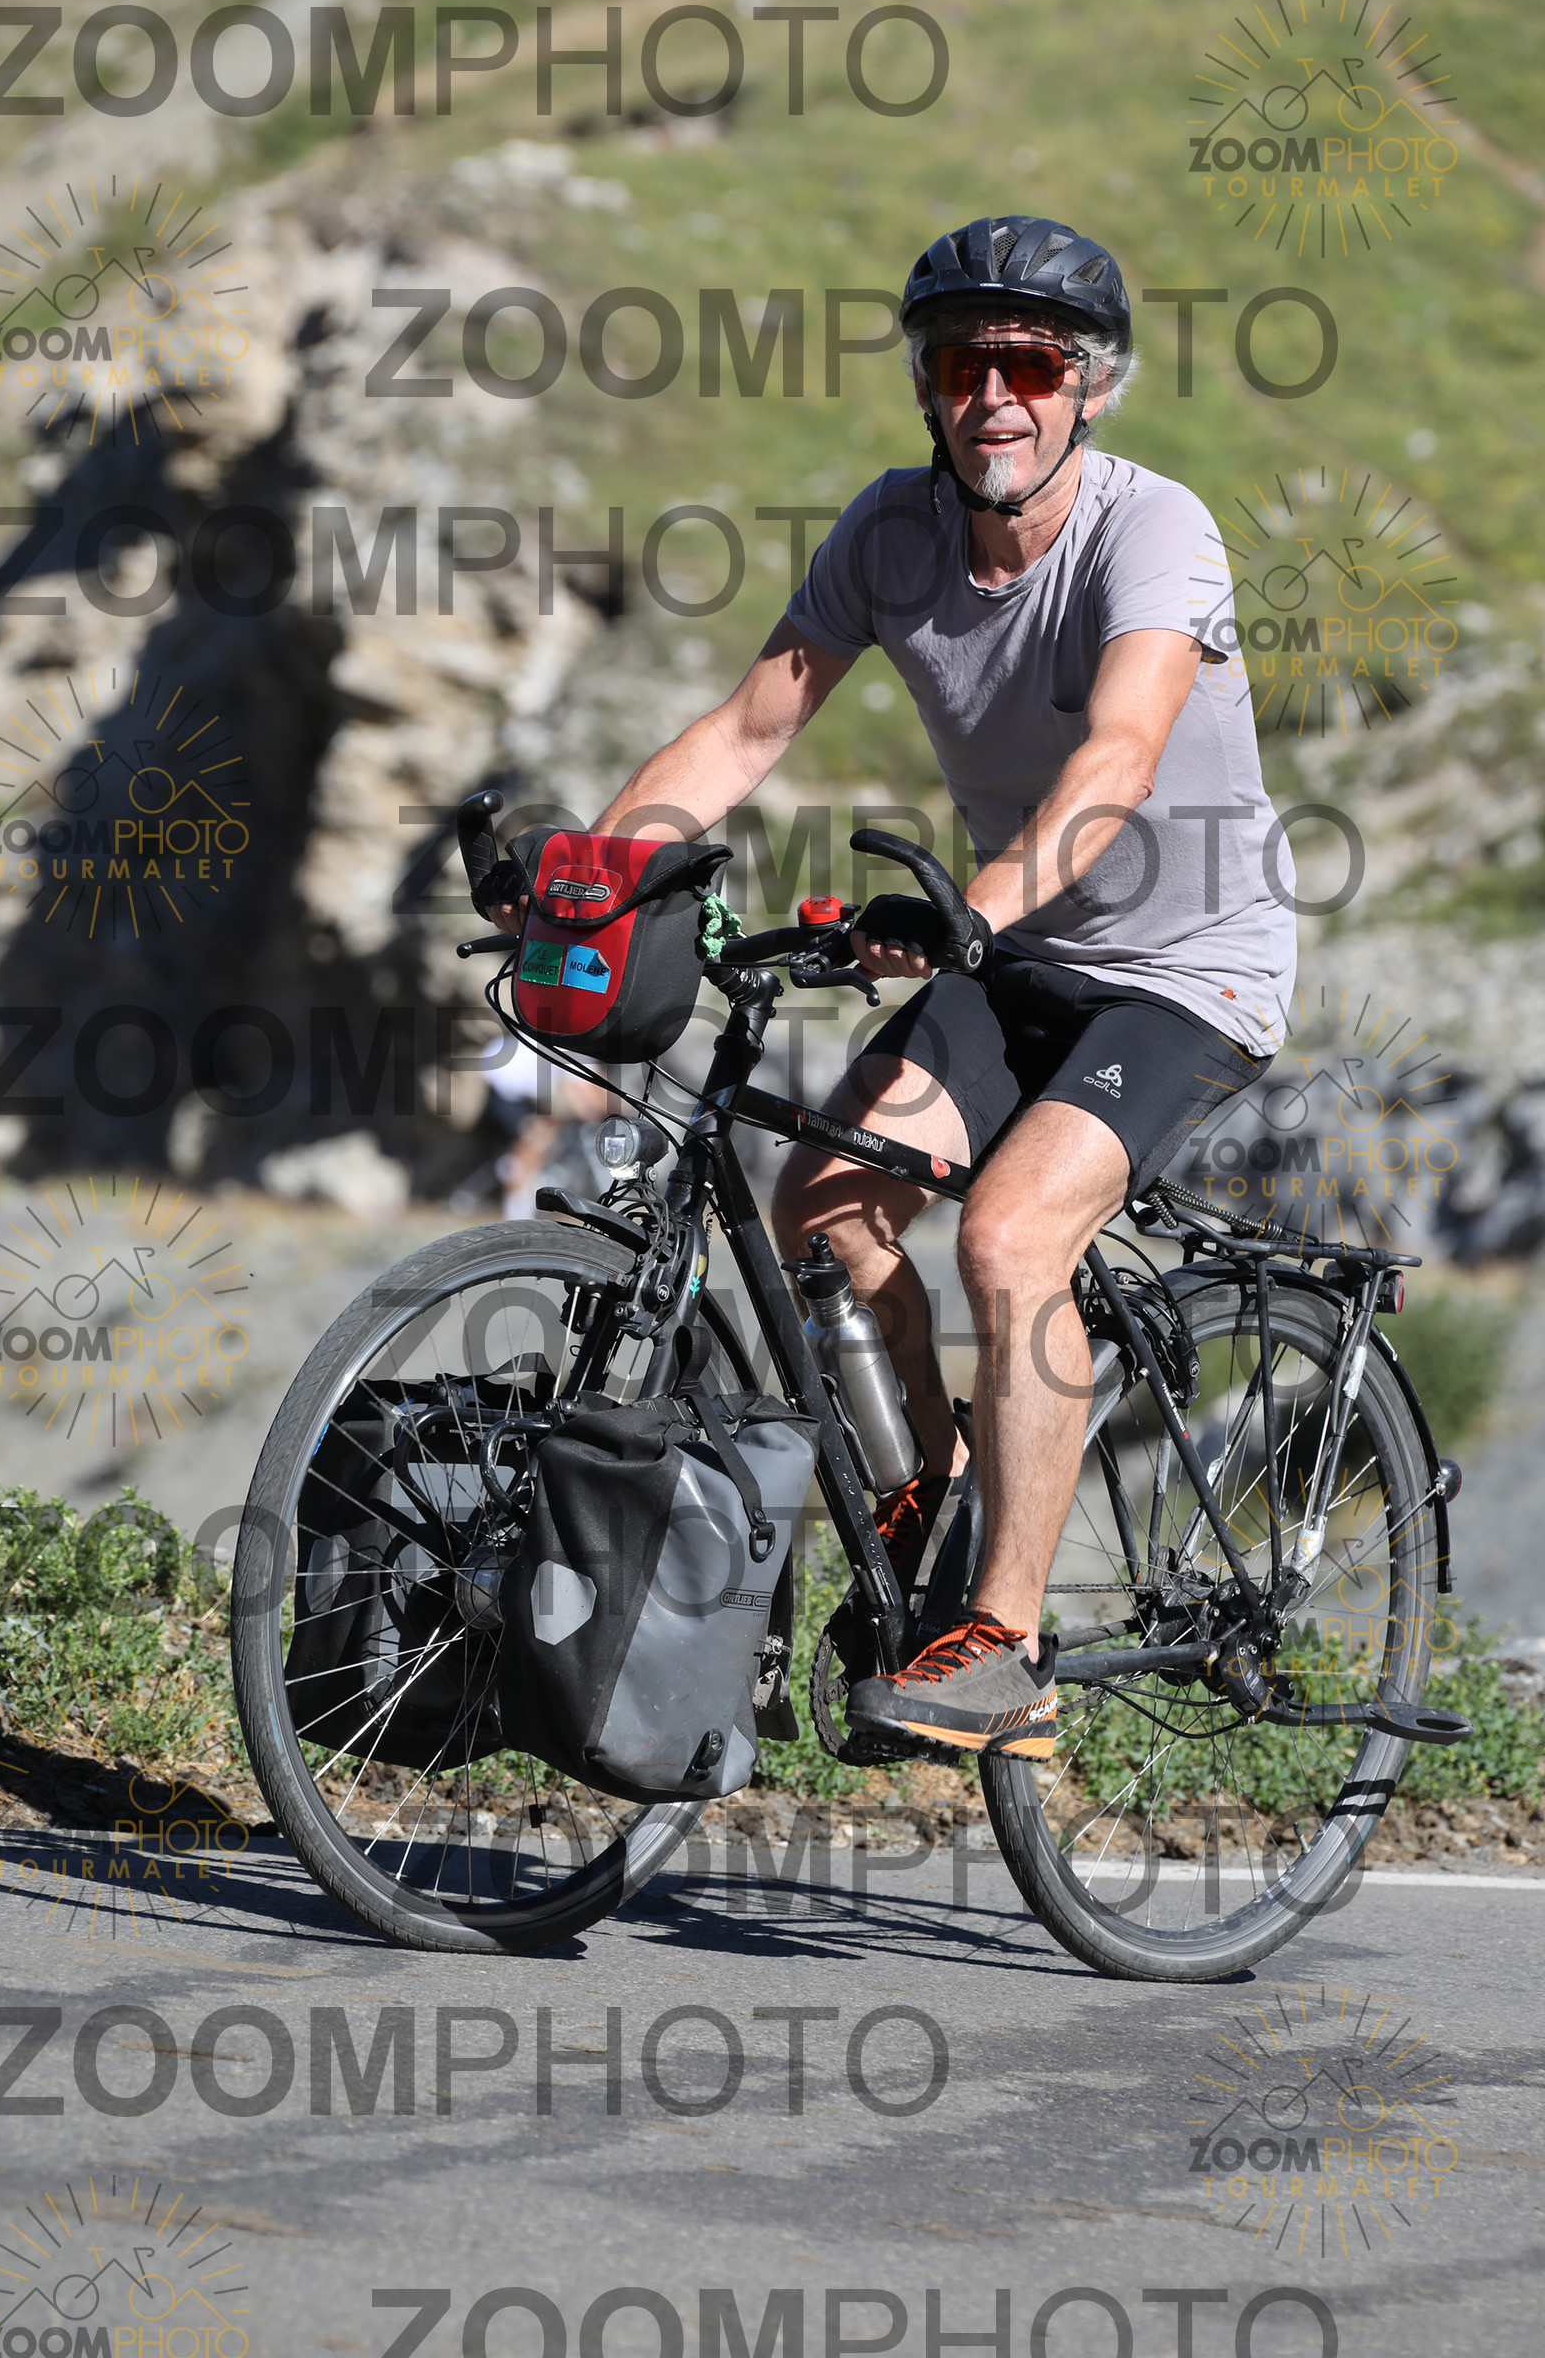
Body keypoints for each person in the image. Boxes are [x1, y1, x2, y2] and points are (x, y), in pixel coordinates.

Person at [488, 213, 1297, 1757]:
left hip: (1189, 973)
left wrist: (968, 912)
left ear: (1090, 387)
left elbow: (1118, 758)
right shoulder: (890, 533)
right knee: (823, 1208)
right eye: (962, 363)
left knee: (1009, 1236)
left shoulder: (1154, 531)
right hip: (1022, 954)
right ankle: (939, 1503)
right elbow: (748, 729)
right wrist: (595, 876)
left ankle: (1005, 1643)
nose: (995, 396)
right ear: (926, 383)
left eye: (1031, 366)